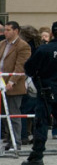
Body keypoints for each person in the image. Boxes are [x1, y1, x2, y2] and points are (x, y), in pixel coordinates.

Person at [21, 21, 57, 165]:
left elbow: (29, 67)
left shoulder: (44, 49)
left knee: (41, 124)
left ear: (52, 33)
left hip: (46, 91)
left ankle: (37, 156)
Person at [0, 21, 31, 151]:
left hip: (14, 85)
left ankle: (16, 142)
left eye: (8, 30)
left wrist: (11, 82)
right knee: (4, 115)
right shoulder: (2, 44)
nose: (5, 32)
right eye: (4, 30)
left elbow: (21, 66)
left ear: (16, 31)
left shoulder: (23, 46)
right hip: (1, 82)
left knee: (13, 114)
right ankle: (10, 139)